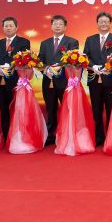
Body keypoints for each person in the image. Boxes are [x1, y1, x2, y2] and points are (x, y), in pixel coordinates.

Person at [83, 11, 112, 146]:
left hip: (110, 78)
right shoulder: (90, 39)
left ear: (110, 23)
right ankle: (98, 136)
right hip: (94, 78)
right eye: (101, 21)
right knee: (96, 108)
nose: (103, 24)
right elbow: (85, 56)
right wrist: (93, 66)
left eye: (106, 21)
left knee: (111, 108)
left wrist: (107, 67)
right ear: (97, 24)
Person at [38, 15, 79, 145]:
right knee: (50, 109)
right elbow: (39, 60)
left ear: (65, 27)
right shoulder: (44, 43)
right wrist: (45, 69)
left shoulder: (72, 42)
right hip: (48, 81)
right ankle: (50, 136)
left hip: (64, 81)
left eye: (60, 23)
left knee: (67, 109)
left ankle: (67, 135)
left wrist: (60, 68)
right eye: (55, 23)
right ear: (51, 26)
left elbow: (74, 60)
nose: (57, 26)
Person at [0, 17, 31, 142]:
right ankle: (6, 134)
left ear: (16, 27)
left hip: (16, 80)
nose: (8, 28)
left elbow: (24, 58)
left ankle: (18, 134)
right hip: (1, 80)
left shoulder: (24, 42)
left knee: (17, 108)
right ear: (2, 28)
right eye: (6, 26)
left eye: (11, 26)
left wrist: (9, 66)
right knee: (3, 108)